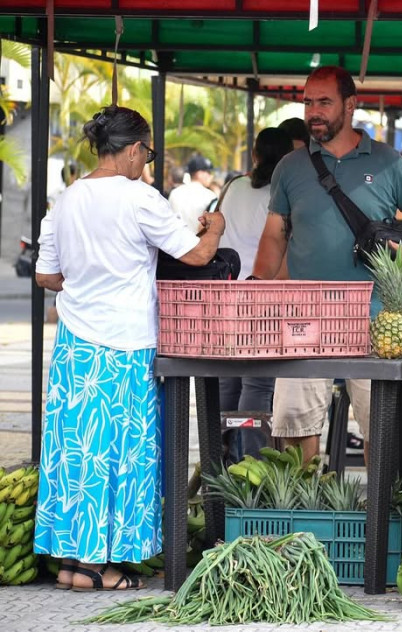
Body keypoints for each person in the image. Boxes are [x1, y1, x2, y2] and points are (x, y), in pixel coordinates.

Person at [33, 105, 224, 591]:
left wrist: (87, 278)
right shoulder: (140, 199)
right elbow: (198, 254)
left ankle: (72, 564)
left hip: (76, 346)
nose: (147, 162)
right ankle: (99, 570)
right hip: (124, 345)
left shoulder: (66, 200)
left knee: (77, 452)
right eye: (148, 152)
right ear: (135, 149)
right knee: (119, 455)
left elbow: (46, 275)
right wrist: (216, 227)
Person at [251, 65, 402, 465]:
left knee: (381, 431)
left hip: (376, 317)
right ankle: (303, 517)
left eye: (324, 102)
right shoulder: (290, 167)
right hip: (303, 317)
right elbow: (273, 234)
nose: (313, 112)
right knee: (296, 429)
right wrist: (259, 284)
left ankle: (380, 518)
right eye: (307, 102)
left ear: (350, 105)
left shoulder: (387, 162)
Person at [216, 127, 295, 459]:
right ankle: (252, 466)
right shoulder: (281, 196)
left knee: (226, 384)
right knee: (258, 386)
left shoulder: (233, 187)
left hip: (224, 294)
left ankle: (219, 464)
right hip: (263, 294)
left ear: (255, 154)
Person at [169, 154, 217, 233]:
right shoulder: (210, 196)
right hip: (199, 243)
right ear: (199, 173)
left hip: (175, 243)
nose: (210, 176)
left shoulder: (174, 193)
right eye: (208, 172)